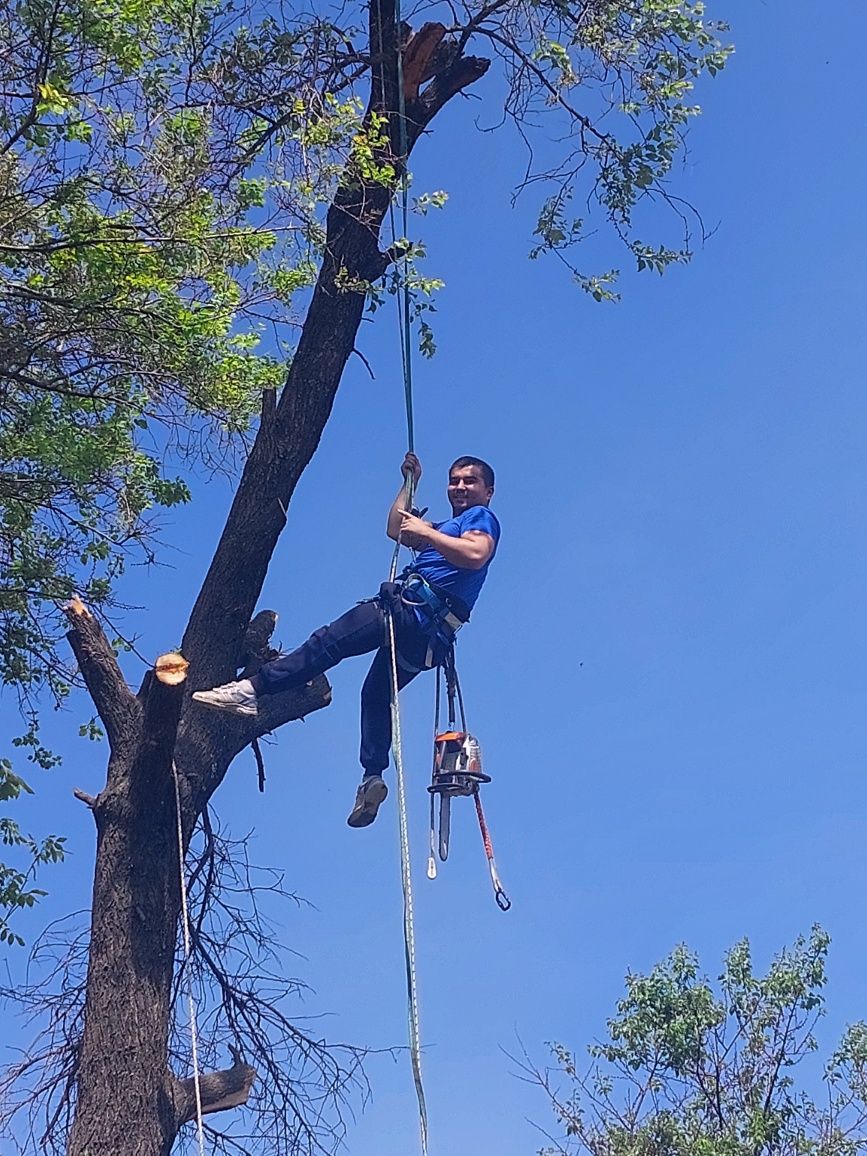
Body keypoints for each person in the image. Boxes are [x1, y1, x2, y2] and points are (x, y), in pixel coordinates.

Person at [192, 453, 500, 827]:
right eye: (454, 481)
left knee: (329, 641)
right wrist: (409, 483)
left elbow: (477, 554)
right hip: (425, 640)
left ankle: (251, 690)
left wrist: (428, 534)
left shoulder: (480, 519)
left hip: (411, 613)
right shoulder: (447, 528)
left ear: (488, 491)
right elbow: (396, 528)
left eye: (469, 481)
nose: (460, 487)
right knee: (374, 694)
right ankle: (372, 777)